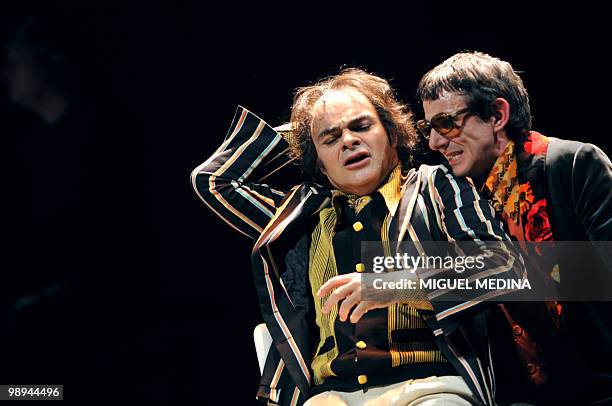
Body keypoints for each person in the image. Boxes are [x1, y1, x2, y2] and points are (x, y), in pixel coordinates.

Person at [191, 68, 524, 405]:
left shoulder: (435, 188)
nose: (348, 140)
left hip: (428, 387)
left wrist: (396, 284)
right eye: (331, 138)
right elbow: (214, 180)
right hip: (329, 396)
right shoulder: (300, 217)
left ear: (392, 135)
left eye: (361, 127)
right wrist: (308, 126)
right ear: (319, 164)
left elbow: (505, 267)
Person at [417, 51, 612, 404]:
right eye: (428, 128)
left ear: (497, 114)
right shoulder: (453, 201)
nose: (434, 142)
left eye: (446, 123)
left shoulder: (571, 165)